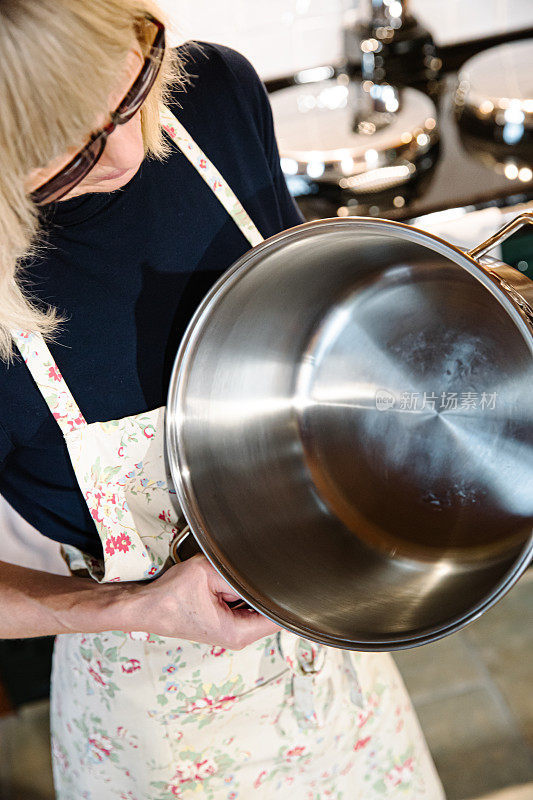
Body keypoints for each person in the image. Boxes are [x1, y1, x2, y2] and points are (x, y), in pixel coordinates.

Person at [0, 1, 446, 797]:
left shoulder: (214, 96)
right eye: (69, 153)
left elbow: (310, 321)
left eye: (130, 92)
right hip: (159, 715)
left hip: (332, 646)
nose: (130, 151)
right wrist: (126, 611)